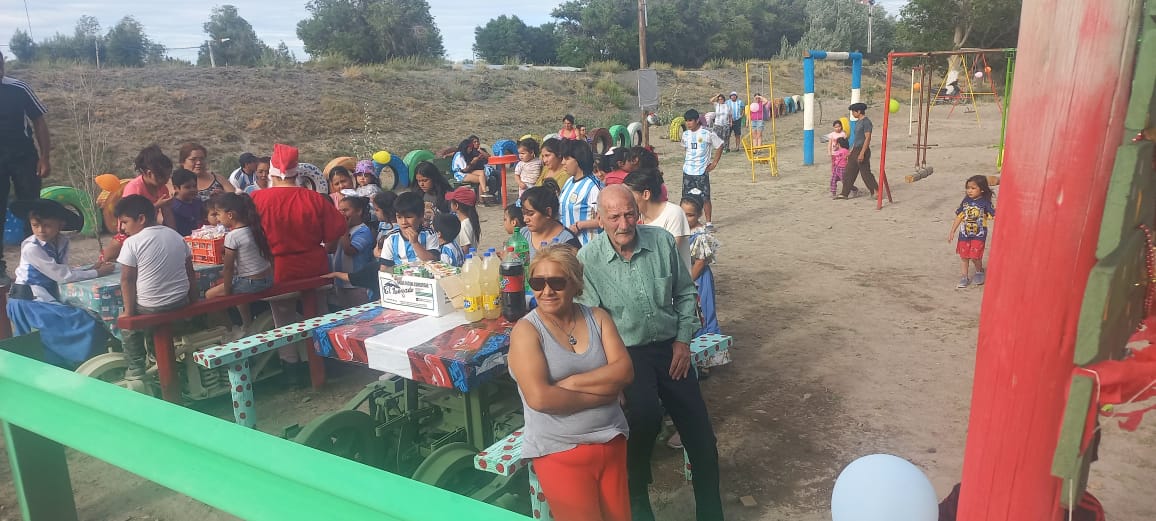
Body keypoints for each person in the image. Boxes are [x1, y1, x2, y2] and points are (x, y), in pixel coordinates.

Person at [576, 185, 723, 521]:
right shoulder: (589, 260)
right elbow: (594, 326)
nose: (623, 223)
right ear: (600, 219)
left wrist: (683, 341)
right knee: (642, 421)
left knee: (701, 436)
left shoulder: (659, 242)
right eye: (614, 217)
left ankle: (711, 514)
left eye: (629, 214)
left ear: (637, 212)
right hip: (627, 355)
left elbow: (686, 294)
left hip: (672, 347)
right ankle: (639, 505)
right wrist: (613, 379)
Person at [508, 244, 634, 521]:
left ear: (575, 284)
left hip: (611, 441)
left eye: (557, 282)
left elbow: (624, 372)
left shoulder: (597, 318)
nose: (546, 291)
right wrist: (604, 396)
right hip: (560, 450)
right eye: (538, 282)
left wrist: (573, 382)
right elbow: (540, 399)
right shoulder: (527, 331)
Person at [252, 144, 346, 384]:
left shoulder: (256, 199)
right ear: (298, 173)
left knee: (282, 319)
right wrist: (328, 249)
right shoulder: (313, 198)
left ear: (272, 173)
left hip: (277, 267)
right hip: (314, 264)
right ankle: (326, 361)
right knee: (320, 314)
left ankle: (291, 369)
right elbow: (335, 230)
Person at [6, 199, 115, 367]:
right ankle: (77, 364)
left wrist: (91, 268)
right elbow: (62, 276)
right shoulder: (31, 247)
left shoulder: (63, 242)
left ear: (60, 224)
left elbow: (63, 269)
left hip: (44, 298)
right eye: (36, 225)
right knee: (81, 323)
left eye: (47, 225)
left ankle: (79, 364)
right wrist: (97, 272)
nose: (41, 230)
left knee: (82, 321)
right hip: (28, 302)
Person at [115, 194, 198, 380]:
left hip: (152, 306)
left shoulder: (132, 243)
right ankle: (155, 354)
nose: (122, 228)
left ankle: (136, 366)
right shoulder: (175, 236)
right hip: (181, 301)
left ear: (141, 219)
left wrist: (128, 313)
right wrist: (194, 301)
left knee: (126, 318)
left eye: (125, 222)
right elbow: (190, 272)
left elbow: (127, 280)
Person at [0, 52, 51, 283]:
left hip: (23, 157)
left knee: (31, 209)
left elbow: (39, 121)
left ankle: (36, 263)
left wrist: (44, 157)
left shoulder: (19, 88)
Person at [204, 193, 274, 333]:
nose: (217, 218)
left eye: (218, 214)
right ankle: (246, 322)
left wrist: (228, 291)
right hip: (268, 279)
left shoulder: (232, 236)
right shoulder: (255, 228)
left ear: (230, 215)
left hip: (252, 283)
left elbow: (228, 268)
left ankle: (230, 329)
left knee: (209, 295)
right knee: (236, 281)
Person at [623, 169, 692, 272]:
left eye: (629, 195)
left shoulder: (673, 214)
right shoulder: (638, 218)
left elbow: (667, 255)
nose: (625, 199)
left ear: (646, 194)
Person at [681, 196, 720, 336]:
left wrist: (687, 282)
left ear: (699, 214)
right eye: (682, 214)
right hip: (685, 276)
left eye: (690, 215)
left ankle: (710, 351)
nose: (685, 218)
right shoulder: (679, 230)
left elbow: (700, 262)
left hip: (698, 278)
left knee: (703, 311)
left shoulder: (701, 235)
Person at [948, 175, 996, 288]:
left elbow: (994, 216)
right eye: (968, 188)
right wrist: (952, 231)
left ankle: (979, 271)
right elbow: (960, 216)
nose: (969, 190)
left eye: (973, 188)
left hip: (978, 235)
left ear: (982, 189)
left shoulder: (985, 203)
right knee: (964, 256)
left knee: (975, 257)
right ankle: (964, 276)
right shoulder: (965, 201)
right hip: (964, 234)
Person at [681, 109, 724, 228]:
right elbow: (686, 148)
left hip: (701, 172)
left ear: (697, 120)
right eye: (686, 121)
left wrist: (714, 162)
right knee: (686, 198)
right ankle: (687, 223)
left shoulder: (707, 133)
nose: (688, 123)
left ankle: (709, 222)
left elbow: (720, 145)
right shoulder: (685, 134)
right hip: (687, 171)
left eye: (690, 121)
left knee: (705, 197)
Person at [331, 195, 375, 308]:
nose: (341, 214)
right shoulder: (343, 230)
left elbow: (349, 251)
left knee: (361, 316)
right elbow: (330, 248)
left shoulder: (363, 231)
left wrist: (344, 230)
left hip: (357, 284)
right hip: (340, 282)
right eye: (339, 211)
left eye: (345, 210)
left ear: (359, 211)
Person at [558, 139, 602, 246]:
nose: (563, 162)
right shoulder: (569, 181)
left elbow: (604, 219)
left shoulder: (592, 187)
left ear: (578, 160)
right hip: (569, 246)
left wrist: (580, 225)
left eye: (567, 158)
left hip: (587, 247)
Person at [380, 191, 440, 267]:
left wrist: (415, 243)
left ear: (421, 216)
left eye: (408, 217)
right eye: (399, 217)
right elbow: (384, 267)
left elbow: (433, 261)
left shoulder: (429, 234)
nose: (403, 222)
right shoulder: (391, 238)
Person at [519, 187, 581, 259]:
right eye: (524, 213)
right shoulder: (523, 234)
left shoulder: (568, 242)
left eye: (530, 214)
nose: (525, 219)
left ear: (548, 212)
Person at [837, 102, 880, 199]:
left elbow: (867, 138)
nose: (852, 113)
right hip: (855, 149)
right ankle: (844, 193)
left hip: (863, 149)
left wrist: (862, 153)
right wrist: (850, 151)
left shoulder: (866, 122)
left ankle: (876, 191)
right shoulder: (857, 122)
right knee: (849, 171)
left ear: (859, 111)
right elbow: (856, 138)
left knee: (865, 172)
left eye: (853, 111)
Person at [169, 168, 204, 236]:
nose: (192, 189)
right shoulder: (173, 206)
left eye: (194, 186)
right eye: (187, 187)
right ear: (176, 188)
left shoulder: (197, 201)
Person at [445, 186, 480, 251]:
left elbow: (465, 249)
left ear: (456, 205)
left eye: (452, 202)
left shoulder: (464, 225)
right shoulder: (469, 221)